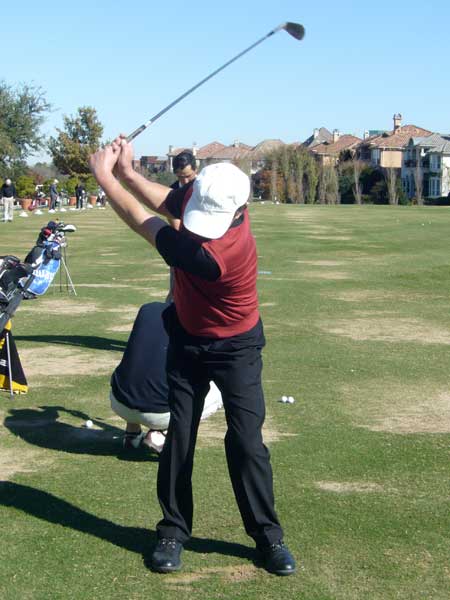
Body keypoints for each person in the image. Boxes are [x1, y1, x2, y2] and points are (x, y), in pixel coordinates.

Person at [89, 137, 296, 577]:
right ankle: (172, 531)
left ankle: (268, 537)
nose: (200, 223)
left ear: (239, 210)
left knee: (246, 441)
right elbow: (167, 198)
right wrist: (128, 172)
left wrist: (104, 177)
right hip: (187, 338)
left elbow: (143, 220)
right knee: (178, 434)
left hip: (236, 345)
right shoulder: (211, 193)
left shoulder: (217, 254)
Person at [111, 301, 223, 454]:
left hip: (119, 402)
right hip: (159, 413)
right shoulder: (197, 318)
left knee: (142, 365)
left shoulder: (147, 309)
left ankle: (132, 432)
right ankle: (159, 433)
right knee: (218, 385)